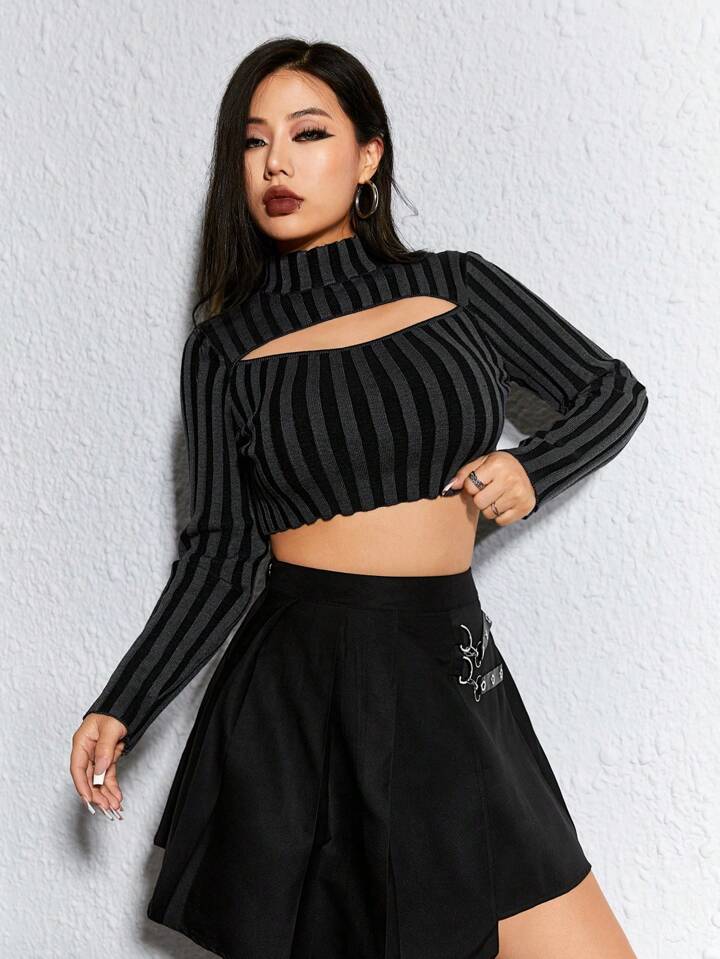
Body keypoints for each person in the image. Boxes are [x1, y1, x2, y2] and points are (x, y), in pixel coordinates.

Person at [69, 37, 648, 959]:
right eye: (253, 141)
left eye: (308, 133)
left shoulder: (454, 285)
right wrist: (124, 702)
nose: (277, 163)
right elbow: (221, 555)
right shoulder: (225, 348)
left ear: (368, 154)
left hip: (452, 659)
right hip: (309, 686)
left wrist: (535, 470)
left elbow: (610, 392)